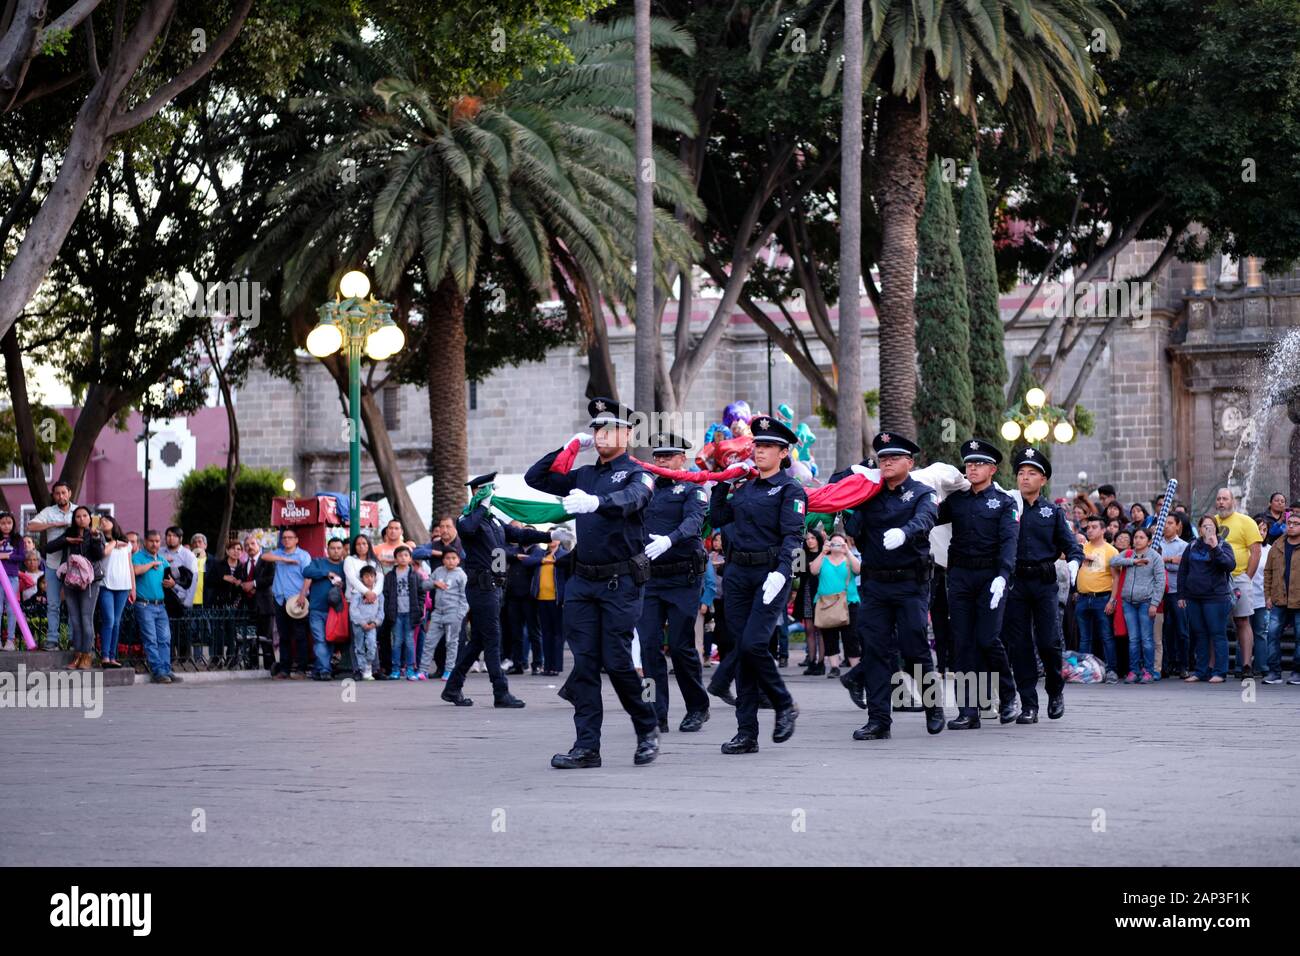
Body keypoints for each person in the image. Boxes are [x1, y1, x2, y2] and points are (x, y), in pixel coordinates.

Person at [524, 398, 662, 768]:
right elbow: (535, 478)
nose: (601, 435)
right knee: (584, 664)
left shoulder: (638, 471)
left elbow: (633, 499)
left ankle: (646, 726)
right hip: (583, 582)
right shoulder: (584, 474)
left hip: (622, 582)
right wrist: (569, 447)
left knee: (617, 662)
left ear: (628, 433)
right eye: (596, 429)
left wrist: (597, 503)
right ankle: (587, 747)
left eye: (609, 428)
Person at [832, 432, 944, 739]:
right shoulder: (869, 492)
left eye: (894, 457)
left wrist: (905, 532)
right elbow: (848, 513)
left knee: (915, 647)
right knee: (876, 651)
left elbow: (926, 518)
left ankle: (933, 708)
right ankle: (879, 719)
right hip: (875, 583)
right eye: (882, 458)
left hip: (910, 582)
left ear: (909, 462)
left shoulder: (922, 492)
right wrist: (855, 480)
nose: (887, 462)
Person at [706, 412, 803, 755]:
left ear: (783, 453)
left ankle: (784, 703)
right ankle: (746, 732)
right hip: (737, 575)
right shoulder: (745, 488)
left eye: (768, 447)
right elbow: (718, 518)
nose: (759, 451)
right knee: (740, 651)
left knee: (753, 645)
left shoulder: (790, 489)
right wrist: (721, 481)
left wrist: (781, 572)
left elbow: (794, 535)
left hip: (769, 574)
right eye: (757, 445)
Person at [442, 473, 555, 708]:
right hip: (481, 587)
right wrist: (481, 506)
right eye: (487, 490)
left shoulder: (493, 520)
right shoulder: (467, 518)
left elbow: (518, 534)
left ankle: (452, 688)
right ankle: (500, 692)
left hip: (496, 586)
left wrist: (549, 535)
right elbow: (469, 529)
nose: (492, 493)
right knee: (493, 640)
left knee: (479, 642)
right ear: (477, 493)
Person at [934, 439, 1020, 729]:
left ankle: (1008, 696)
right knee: (963, 644)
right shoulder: (957, 500)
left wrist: (1003, 575)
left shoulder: (1004, 502)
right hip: (959, 576)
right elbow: (928, 516)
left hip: (990, 578)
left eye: (979, 463)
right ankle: (967, 711)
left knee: (987, 638)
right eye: (969, 464)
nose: (972, 468)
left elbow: (1009, 541)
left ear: (992, 469)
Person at [637, 433, 712, 734]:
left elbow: (695, 521)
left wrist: (671, 539)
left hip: (683, 577)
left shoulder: (693, 488)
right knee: (648, 647)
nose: (662, 461)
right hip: (651, 579)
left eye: (668, 456)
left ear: (683, 459)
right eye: (658, 456)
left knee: (681, 648)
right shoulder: (646, 490)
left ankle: (697, 707)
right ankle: (654, 712)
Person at [1001, 447, 1082, 723]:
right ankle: (1028, 704)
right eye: (1021, 473)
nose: (1024, 478)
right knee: (1020, 644)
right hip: (1016, 583)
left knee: (1048, 641)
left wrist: (1074, 563)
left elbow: (1072, 546)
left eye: (1031, 473)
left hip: (1043, 581)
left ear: (1043, 480)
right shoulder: (1007, 507)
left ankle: (1055, 690)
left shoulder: (1052, 512)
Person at [42, 506, 106, 669]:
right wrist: (66, 540)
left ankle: (87, 655)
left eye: (85, 516)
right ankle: (77, 656)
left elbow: (99, 555)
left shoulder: (96, 534)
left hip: (90, 582)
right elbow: (47, 549)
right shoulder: (69, 533)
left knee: (86, 618)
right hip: (70, 581)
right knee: (75, 620)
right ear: (74, 519)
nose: (81, 519)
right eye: (78, 516)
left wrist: (96, 538)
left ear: (90, 518)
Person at [1179, 516, 1237, 683]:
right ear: (1200, 528)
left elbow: (1229, 565)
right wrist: (1182, 594)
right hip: (1193, 597)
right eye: (1204, 526)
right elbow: (1183, 570)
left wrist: (1215, 548)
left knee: (1218, 634)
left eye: (1211, 526)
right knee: (1200, 634)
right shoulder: (1192, 546)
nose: (1207, 529)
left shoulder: (1223, 545)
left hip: (1216, 598)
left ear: (1216, 528)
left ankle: (1220, 671)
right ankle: (1201, 671)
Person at [1214, 487, 1263, 678]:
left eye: (1225, 499)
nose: (1221, 502)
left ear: (1233, 501)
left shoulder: (1246, 522)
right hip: (1216, 580)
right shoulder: (1211, 522)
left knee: (1242, 620)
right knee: (1215, 623)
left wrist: (1246, 577)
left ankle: (1246, 665)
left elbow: (1256, 551)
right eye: (1218, 499)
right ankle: (1216, 666)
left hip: (1239, 578)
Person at [26, 480, 76, 650]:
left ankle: (72, 639)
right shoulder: (48, 511)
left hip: (74, 565)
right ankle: (52, 639)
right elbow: (31, 525)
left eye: (64, 492)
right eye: (57, 493)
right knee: (53, 603)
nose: (61, 496)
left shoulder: (78, 511)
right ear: (54, 496)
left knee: (72, 604)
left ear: (69, 492)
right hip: (53, 564)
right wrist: (54, 524)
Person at [1112, 527, 1162, 683]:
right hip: (1128, 602)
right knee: (1133, 639)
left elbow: (1161, 582)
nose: (1137, 540)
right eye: (1136, 537)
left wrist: (1154, 603)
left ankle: (1148, 671)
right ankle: (1133, 671)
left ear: (1149, 540)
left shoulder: (1155, 557)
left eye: (1141, 537)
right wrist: (1134, 561)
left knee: (1146, 639)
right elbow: (1113, 561)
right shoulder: (1129, 554)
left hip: (1146, 602)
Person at [809, 531, 860, 681]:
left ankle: (855, 669)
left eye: (840, 542)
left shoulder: (849, 559)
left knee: (851, 636)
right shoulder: (823, 559)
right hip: (826, 603)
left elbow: (858, 570)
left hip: (849, 602)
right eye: (834, 543)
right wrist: (823, 552)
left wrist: (848, 551)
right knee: (829, 636)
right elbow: (813, 570)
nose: (836, 545)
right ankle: (834, 667)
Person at [262, 528, 312, 679]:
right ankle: (284, 669)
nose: (286, 540)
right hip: (279, 599)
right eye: (284, 538)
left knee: (300, 635)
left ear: (296, 540)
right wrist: (283, 559)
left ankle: (301, 669)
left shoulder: (303, 555)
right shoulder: (279, 553)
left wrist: (303, 594)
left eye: (290, 538)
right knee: (283, 636)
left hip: (296, 600)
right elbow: (264, 556)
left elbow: (308, 576)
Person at [1076, 514, 1120, 682]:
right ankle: (1084, 671)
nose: (1090, 530)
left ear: (1103, 530)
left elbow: (1116, 578)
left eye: (1094, 527)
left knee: (1106, 636)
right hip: (1082, 598)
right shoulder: (1081, 548)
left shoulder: (1111, 550)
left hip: (1102, 598)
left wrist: (1112, 600)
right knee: (1084, 637)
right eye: (1088, 528)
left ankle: (1111, 670)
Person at [133, 530, 180, 683]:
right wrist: (151, 564)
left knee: (165, 639)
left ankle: (166, 670)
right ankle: (158, 671)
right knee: (151, 639)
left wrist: (172, 583)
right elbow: (134, 571)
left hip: (161, 606)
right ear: (145, 541)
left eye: (158, 541)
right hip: (144, 605)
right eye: (152, 541)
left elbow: (170, 580)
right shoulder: (137, 557)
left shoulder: (163, 560)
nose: (155, 544)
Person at [1263, 508, 1300, 684]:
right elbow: (1268, 572)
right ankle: (1273, 672)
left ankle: (1297, 673)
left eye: (1296, 524)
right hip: (1278, 598)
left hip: (1299, 599)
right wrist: (1267, 596)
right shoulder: (1277, 545)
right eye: (1289, 523)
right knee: (1272, 635)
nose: (1291, 527)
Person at [380, 545, 428, 679]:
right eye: (400, 555)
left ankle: (410, 669)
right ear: (395, 558)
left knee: (409, 641)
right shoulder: (390, 576)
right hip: (396, 614)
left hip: (411, 613)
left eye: (406, 555)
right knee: (396, 642)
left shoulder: (416, 575)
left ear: (410, 558)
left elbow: (422, 594)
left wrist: (419, 609)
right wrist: (388, 611)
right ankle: (395, 669)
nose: (403, 558)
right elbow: (386, 594)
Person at [523, 537, 569, 676]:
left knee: (557, 634)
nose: (551, 540)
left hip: (557, 600)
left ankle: (556, 666)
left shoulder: (564, 555)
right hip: (541, 598)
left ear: (560, 540)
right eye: (548, 537)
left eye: (554, 537)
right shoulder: (541, 554)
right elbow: (526, 561)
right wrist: (543, 560)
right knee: (546, 633)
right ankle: (547, 666)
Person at [95, 514, 132, 668]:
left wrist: (133, 587)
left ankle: (112, 656)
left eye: (107, 520)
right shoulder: (99, 540)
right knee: (109, 619)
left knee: (117, 622)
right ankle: (104, 656)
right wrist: (115, 542)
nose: (103, 522)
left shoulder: (127, 543)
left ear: (114, 523)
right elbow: (104, 553)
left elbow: (129, 565)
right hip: (106, 585)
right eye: (101, 521)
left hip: (124, 586)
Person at [425, 549, 469, 680]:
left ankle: (449, 670)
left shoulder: (461, 575)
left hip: (453, 613)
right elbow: (424, 585)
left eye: (453, 558)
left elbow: (465, 597)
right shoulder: (438, 571)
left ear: (458, 560)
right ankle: (422, 670)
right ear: (443, 560)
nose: (450, 560)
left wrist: (460, 614)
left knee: (451, 643)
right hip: (438, 613)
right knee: (429, 642)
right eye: (447, 558)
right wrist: (434, 583)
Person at [343, 534, 381, 678]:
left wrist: (373, 594)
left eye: (364, 543)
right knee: (357, 639)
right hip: (356, 601)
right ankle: (358, 670)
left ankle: (374, 669)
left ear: (369, 545)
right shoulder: (349, 560)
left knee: (372, 638)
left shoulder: (374, 561)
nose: (361, 546)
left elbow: (380, 580)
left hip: (373, 602)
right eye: (358, 544)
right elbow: (352, 579)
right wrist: (366, 592)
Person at [1159, 513, 1190, 678]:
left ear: (1178, 526)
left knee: (1182, 631)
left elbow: (1183, 567)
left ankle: (1183, 665)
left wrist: (1165, 561)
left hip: (1178, 593)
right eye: (1164, 522)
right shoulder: (1156, 543)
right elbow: (1155, 564)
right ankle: (1166, 665)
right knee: (1165, 632)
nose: (1166, 526)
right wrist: (1171, 560)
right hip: (1161, 593)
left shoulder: (1184, 546)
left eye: (1170, 523)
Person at [240, 536, 277, 671]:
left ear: (259, 545)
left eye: (252, 543)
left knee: (266, 638)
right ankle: (252, 664)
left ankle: (269, 666)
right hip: (250, 606)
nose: (250, 546)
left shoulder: (267, 560)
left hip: (265, 605)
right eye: (247, 544)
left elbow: (271, 578)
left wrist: (254, 583)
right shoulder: (244, 565)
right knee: (251, 638)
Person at [795, 530, 825, 672]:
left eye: (813, 538)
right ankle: (811, 661)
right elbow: (796, 573)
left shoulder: (825, 554)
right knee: (809, 629)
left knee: (821, 629)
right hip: (806, 592)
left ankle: (821, 662)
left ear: (818, 539)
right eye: (807, 538)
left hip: (822, 593)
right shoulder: (802, 554)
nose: (810, 541)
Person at [350, 565, 384, 680]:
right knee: (359, 647)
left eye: (371, 576)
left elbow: (381, 611)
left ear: (375, 578)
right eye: (366, 576)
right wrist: (362, 622)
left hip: (372, 625)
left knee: (372, 645)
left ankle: (368, 666)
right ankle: (361, 670)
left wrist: (375, 622)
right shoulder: (357, 593)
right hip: (359, 625)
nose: (369, 579)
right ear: (361, 578)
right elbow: (353, 610)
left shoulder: (378, 594)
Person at [0, 512, 26, 650]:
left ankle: (10, 640)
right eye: (3, 523)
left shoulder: (17, 539)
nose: (6, 526)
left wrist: (5, 556)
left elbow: (21, 557)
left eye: (9, 523)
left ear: (13, 524)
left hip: (11, 577)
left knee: (11, 608)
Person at [190, 533, 209, 606]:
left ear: (205, 545)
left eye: (200, 542)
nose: (197, 544)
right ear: (192, 547)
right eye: (194, 542)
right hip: (189, 601)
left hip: (206, 602)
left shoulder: (212, 562)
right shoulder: (187, 561)